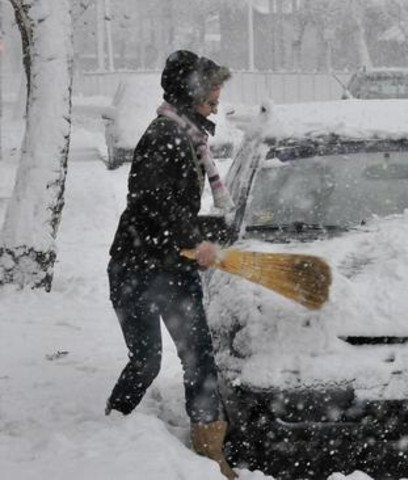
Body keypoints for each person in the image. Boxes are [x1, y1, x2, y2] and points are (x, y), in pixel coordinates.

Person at [105, 50, 236, 480]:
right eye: (212, 93)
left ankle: (209, 450)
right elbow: (151, 202)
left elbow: (169, 207)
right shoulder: (167, 136)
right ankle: (107, 434)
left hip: (160, 264)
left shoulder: (187, 135)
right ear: (191, 93)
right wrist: (194, 240)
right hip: (141, 267)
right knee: (152, 360)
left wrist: (207, 236)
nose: (217, 102)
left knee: (192, 359)